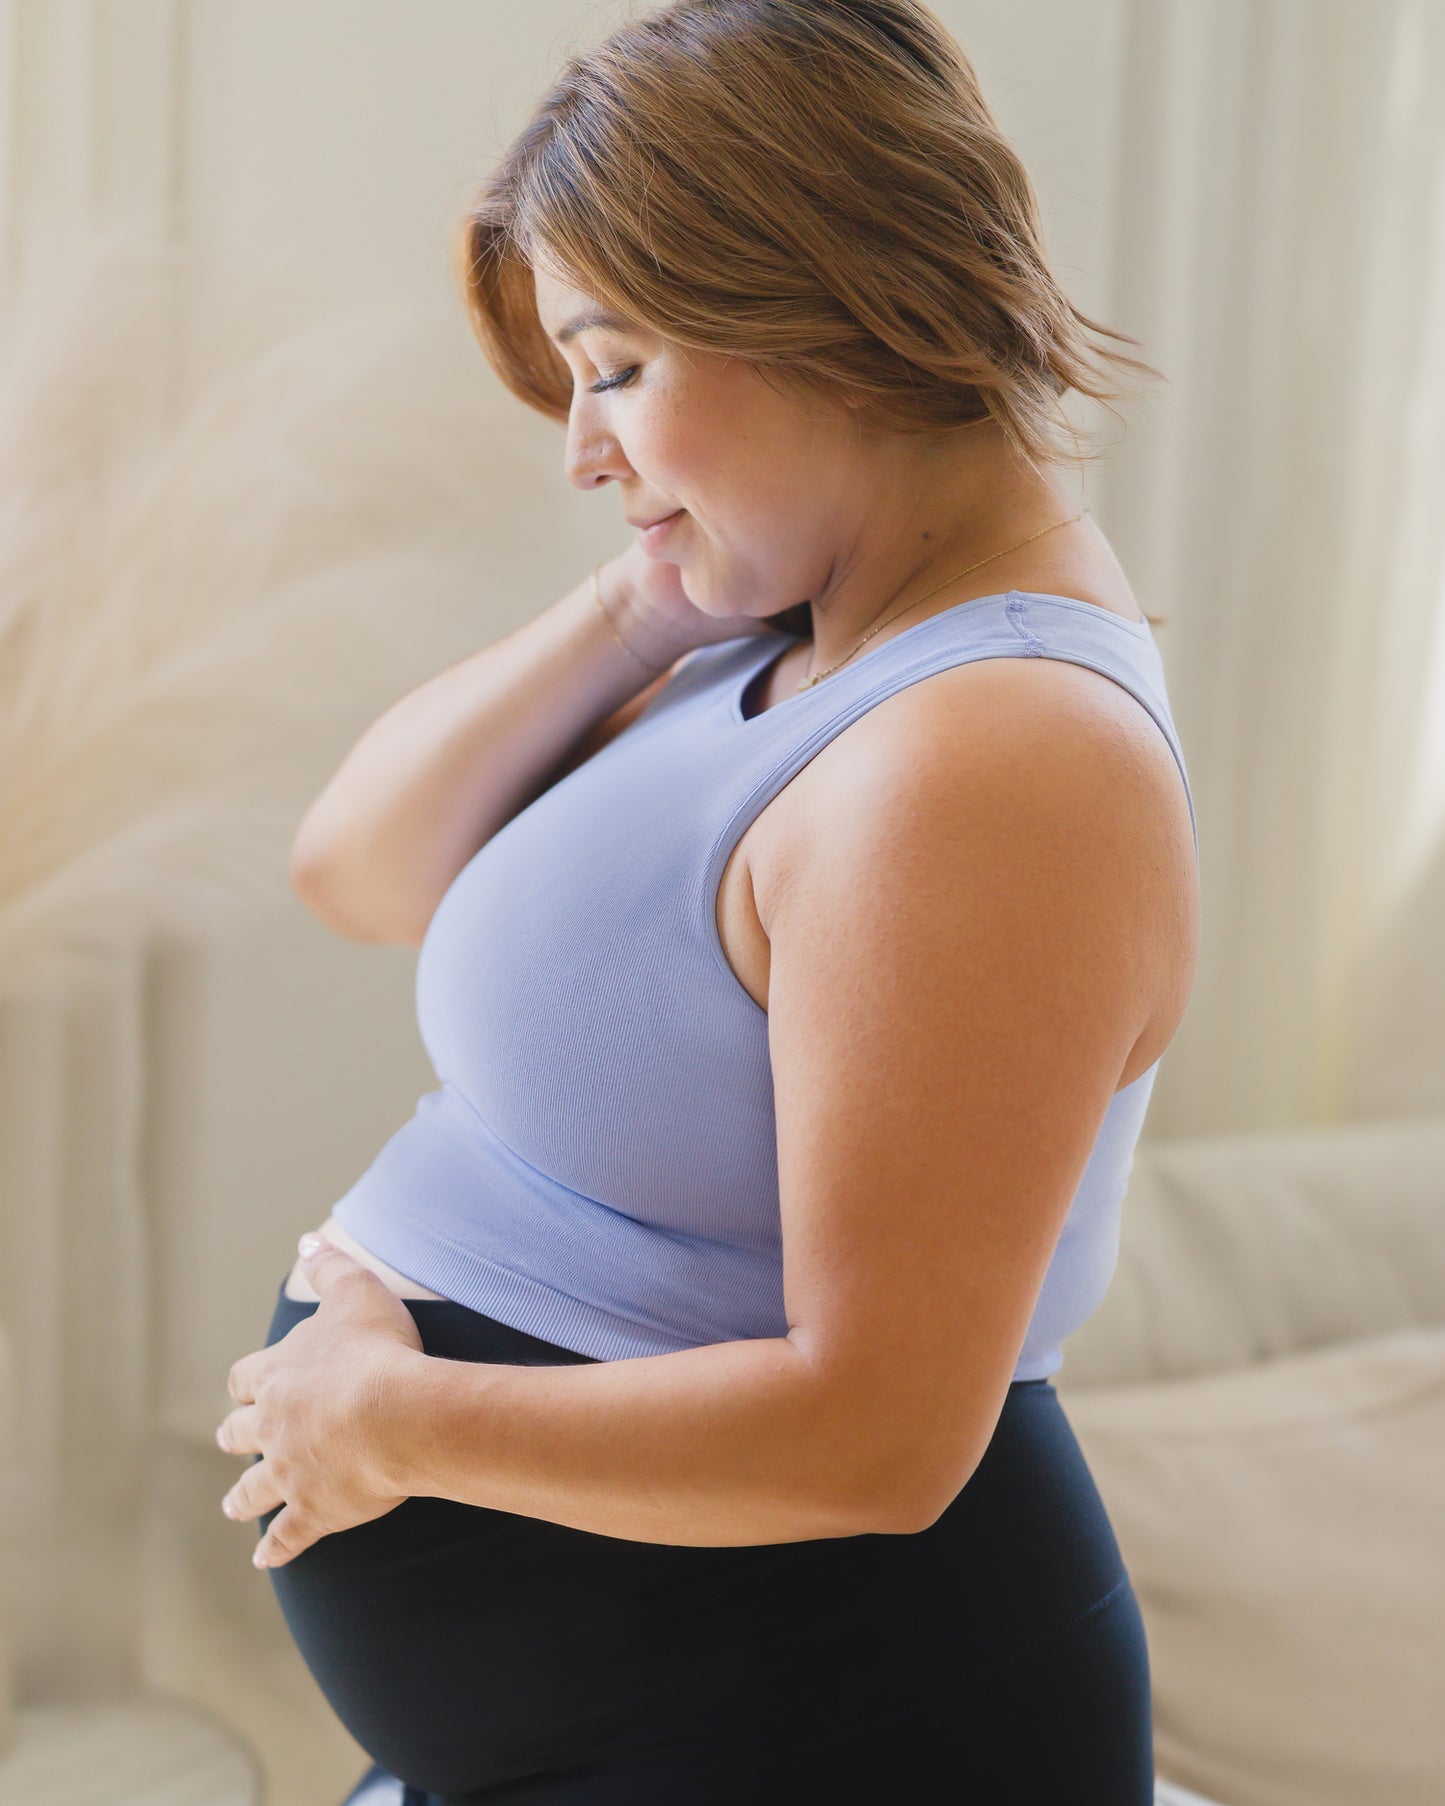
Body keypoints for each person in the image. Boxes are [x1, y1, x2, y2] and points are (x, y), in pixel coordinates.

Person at [214, 3, 1201, 1801]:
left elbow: (879, 1434)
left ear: (825, 295)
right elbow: (352, 870)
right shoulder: (796, 642)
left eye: (613, 366)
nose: (583, 452)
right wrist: (646, 599)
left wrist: (391, 1418)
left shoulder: (992, 760)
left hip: (836, 1724)